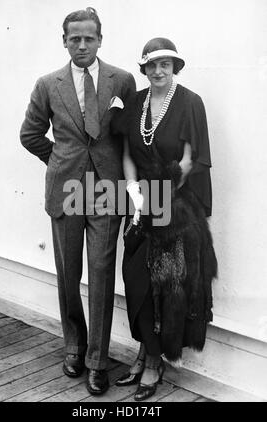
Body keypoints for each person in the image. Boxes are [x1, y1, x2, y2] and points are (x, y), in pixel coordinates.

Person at [20, 7, 136, 395]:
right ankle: (74, 345)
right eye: (75, 38)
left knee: (101, 275)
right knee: (69, 274)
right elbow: (30, 134)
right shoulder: (47, 84)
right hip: (66, 189)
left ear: (100, 39)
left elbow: (128, 136)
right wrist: (58, 159)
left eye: (89, 38)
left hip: (107, 190)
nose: (82, 44)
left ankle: (98, 362)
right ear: (64, 40)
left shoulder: (122, 81)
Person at [113, 38, 217, 401]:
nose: (159, 71)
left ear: (174, 68)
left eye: (166, 65)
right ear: (144, 68)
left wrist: (160, 196)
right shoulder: (137, 103)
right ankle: (145, 352)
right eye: (153, 65)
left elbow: (189, 160)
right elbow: (127, 151)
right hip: (140, 204)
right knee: (136, 280)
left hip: (176, 206)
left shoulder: (190, 102)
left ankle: (154, 363)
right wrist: (132, 191)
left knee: (165, 288)